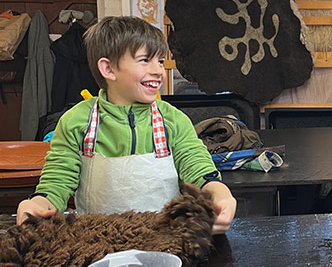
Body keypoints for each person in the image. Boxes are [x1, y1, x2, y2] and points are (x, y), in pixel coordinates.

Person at [16, 16, 236, 234]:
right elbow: (56, 183)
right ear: (109, 69)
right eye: (145, 60)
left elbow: (200, 173)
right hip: (97, 242)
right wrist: (35, 205)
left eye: (160, 61)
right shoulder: (76, 121)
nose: (158, 71)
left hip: (164, 240)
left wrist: (221, 196)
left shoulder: (173, 120)